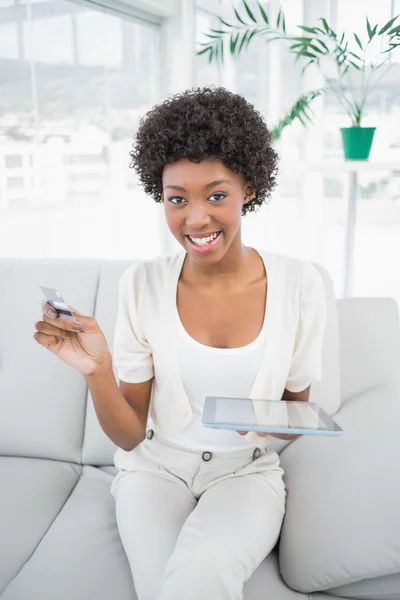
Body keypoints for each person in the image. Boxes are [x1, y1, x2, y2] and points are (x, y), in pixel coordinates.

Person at [33, 86, 327, 600]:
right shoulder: (141, 284)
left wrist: (259, 416)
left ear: (249, 188)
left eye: (217, 195)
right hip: (155, 470)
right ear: (160, 197)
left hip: (244, 474)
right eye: (177, 199)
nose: (195, 219)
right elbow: (128, 437)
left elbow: (298, 413)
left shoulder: (299, 284)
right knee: (161, 588)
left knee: (200, 577)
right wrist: (96, 371)